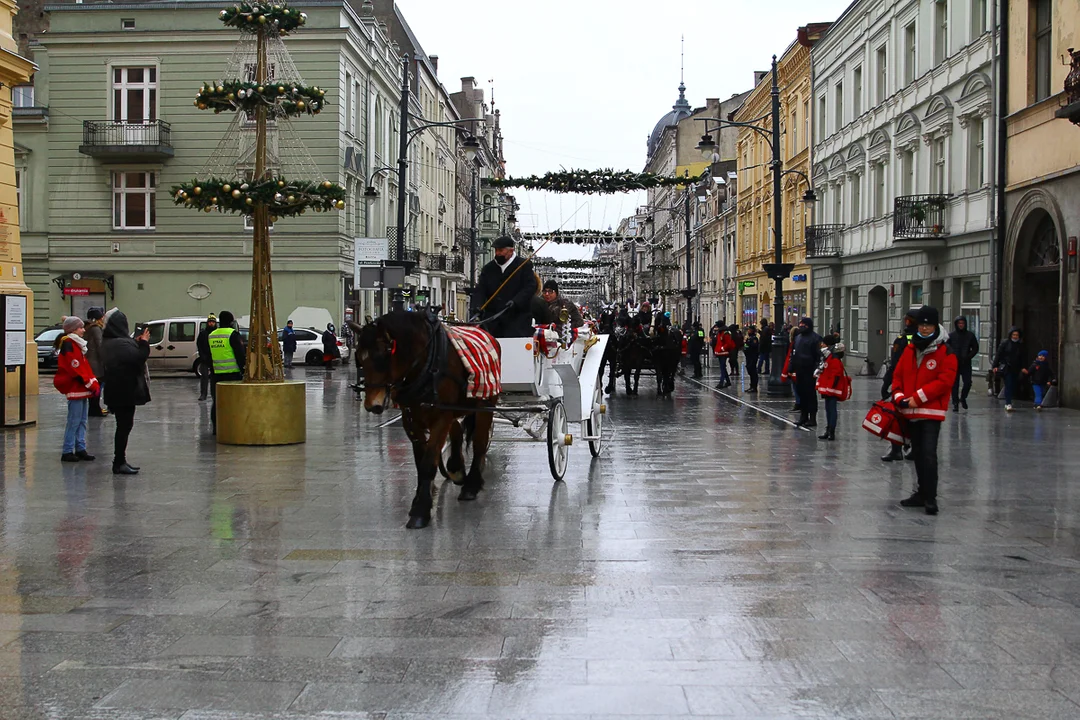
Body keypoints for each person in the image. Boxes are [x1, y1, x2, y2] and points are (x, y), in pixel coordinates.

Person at [892, 305, 957, 516]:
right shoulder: (911, 348)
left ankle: (931, 497)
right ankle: (921, 492)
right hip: (909, 411)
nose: (926, 328)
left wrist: (918, 397)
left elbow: (945, 381)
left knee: (929, 454)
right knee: (917, 454)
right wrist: (899, 396)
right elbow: (898, 375)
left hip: (930, 411)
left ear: (935, 325)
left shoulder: (945, 350)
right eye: (922, 324)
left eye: (929, 325)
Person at [101, 310, 151, 475]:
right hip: (123, 391)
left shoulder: (113, 341)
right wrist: (144, 343)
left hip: (118, 390)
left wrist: (135, 342)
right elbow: (138, 358)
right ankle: (119, 462)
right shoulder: (119, 343)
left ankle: (120, 460)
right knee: (124, 426)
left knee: (124, 426)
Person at [54, 316, 100, 462]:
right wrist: (90, 384)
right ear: (73, 329)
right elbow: (76, 368)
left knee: (82, 420)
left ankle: (80, 448)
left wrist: (91, 383)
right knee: (74, 420)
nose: (83, 330)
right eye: (80, 327)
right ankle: (67, 450)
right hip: (76, 387)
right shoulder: (70, 344)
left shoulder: (76, 344)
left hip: (80, 388)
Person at [473, 236, 538, 337]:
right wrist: (477, 306)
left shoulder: (524, 265)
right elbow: (480, 289)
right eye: (496, 250)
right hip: (492, 323)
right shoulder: (488, 268)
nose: (497, 253)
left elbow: (530, 287)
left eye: (501, 250)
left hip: (517, 322)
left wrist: (516, 301)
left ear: (511, 251)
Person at [880, 311, 917, 462]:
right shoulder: (925, 340)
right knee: (917, 418)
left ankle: (896, 450)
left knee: (897, 418)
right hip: (919, 385)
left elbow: (895, 364)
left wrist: (886, 383)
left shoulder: (901, 340)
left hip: (902, 386)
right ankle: (915, 449)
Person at [209, 310, 246, 435]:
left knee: (217, 402)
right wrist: (244, 370)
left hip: (216, 374)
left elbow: (209, 355)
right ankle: (233, 426)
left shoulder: (212, 335)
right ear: (231, 322)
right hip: (233, 374)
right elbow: (240, 355)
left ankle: (216, 428)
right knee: (234, 402)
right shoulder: (233, 334)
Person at [789, 317, 823, 428]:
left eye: (804, 324)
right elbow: (794, 353)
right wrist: (791, 367)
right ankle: (803, 416)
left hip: (810, 370)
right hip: (799, 369)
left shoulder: (815, 338)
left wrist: (817, 369)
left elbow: (818, 356)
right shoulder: (798, 338)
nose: (801, 326)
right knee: (801, 393)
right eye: (801, 324)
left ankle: (812, 418)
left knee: (810, 394)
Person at [815, 336, 846, 441]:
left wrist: (831, 387)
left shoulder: (834, 358)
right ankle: (828, 430)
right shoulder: (828, 356)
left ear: (828, 345)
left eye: (823, 343)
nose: (821, 345)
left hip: (832, 389)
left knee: (832, 409)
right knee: (828, 409)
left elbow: (836, 374)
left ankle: (831, 431)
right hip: (828, 387)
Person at [946, 316, 979, 411]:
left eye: (962, 323)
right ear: (956, 324)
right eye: (959, 323)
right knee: (954, 384)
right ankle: (955, 403)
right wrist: (951, 356)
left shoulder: (970, 335)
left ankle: (963, 398)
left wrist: (969, 356)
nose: (961, 325)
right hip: (954, 363)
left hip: (966, 362)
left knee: (968, 382)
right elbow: (946, 347)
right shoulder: (951, 335)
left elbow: (975, 348)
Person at [82, 307, 107, 417]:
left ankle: (94, 408)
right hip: (96, 363)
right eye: (102, 316)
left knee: (93, 387)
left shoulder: (87, 327)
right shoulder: (96, 329)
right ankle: (95, 409)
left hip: (89, 362)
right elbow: (100, 345)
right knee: (97, 387)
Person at [992, 327, 1023, 412]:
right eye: (1013, 335)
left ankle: (1009, 402)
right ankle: (1008, 403)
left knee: (1013, 385)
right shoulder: (1005, 343)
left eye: (1017, 335)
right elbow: (998, 354)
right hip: (1007, 367)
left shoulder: (1020, 345)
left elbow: (1022, 357)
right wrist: (995, 365)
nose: (1015, 336)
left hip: (1016, 368)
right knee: (1008, 384)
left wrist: (1023, 367)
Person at [195, 313, 218, 400]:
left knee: (214, 378)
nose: (211, 324)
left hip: (215, 358)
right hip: (205, 359)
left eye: (213, 322)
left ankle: (214, 394)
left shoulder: (217, 333)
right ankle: (203, 394)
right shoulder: (203, 333)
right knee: (204, 377)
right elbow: (199, 345)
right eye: (210, 322)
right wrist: (202, 355)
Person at [713, 324, 734, 389]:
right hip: (720, 352)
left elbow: (728, 343)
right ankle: (727, 381)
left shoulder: (725, 333)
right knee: (723, 368)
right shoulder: (719, 333)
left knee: (722, 368)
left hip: (723, 353)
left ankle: (721, 382)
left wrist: (722, 348)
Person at [743, 325, 760, 392]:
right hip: (748, 356)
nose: (748, 331)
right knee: (749, 370)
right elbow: (745, 346)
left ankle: (754, 386)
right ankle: (751, 385)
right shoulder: (749, 338)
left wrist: (748, 345)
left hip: (753, 356)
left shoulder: (754, 338)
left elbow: (753, 346)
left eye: (749, 330)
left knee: (753, 371)